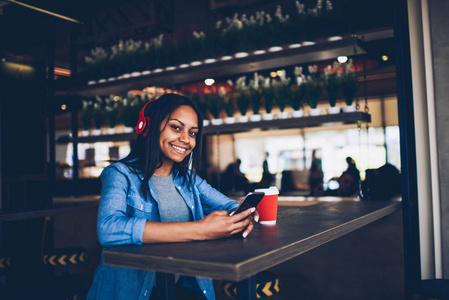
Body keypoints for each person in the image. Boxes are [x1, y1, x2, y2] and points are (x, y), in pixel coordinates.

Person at [87, 94, 259, 300]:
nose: (186, 139)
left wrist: (240, 216)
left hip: (177, 288)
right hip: (130, 293)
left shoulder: (188, 179)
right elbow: (108, 230)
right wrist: (201, 229)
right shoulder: (119, 174)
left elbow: (229, 204)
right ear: (148, 127)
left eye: (193, 133)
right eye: (176, 128)